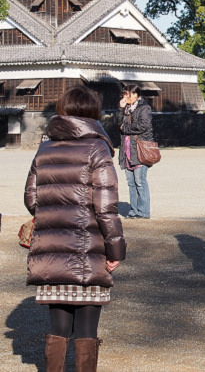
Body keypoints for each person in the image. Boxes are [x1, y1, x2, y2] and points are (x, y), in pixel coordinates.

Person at [24, 86, 126, 372]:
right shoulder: (98, 148)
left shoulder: (44, 148)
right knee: (86, 327)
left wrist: (56, 214)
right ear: (94, 113)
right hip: (89, 251)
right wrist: (116, 250)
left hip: (52, 250)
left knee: (57, 326)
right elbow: (105, 208)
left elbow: (31, 199)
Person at [114, 84, 154, 219]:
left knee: (140, 181)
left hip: (139, 150)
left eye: (127, 94)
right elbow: (117, 122)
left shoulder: (144, 108)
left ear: (136, 94)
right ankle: (134, 210)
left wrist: (124, 128)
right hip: (126, 150)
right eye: (124, 94)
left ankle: (143, 212)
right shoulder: (125, 108)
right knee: (131, 183)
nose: (125, 97)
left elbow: (143, 125)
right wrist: (120, 108)